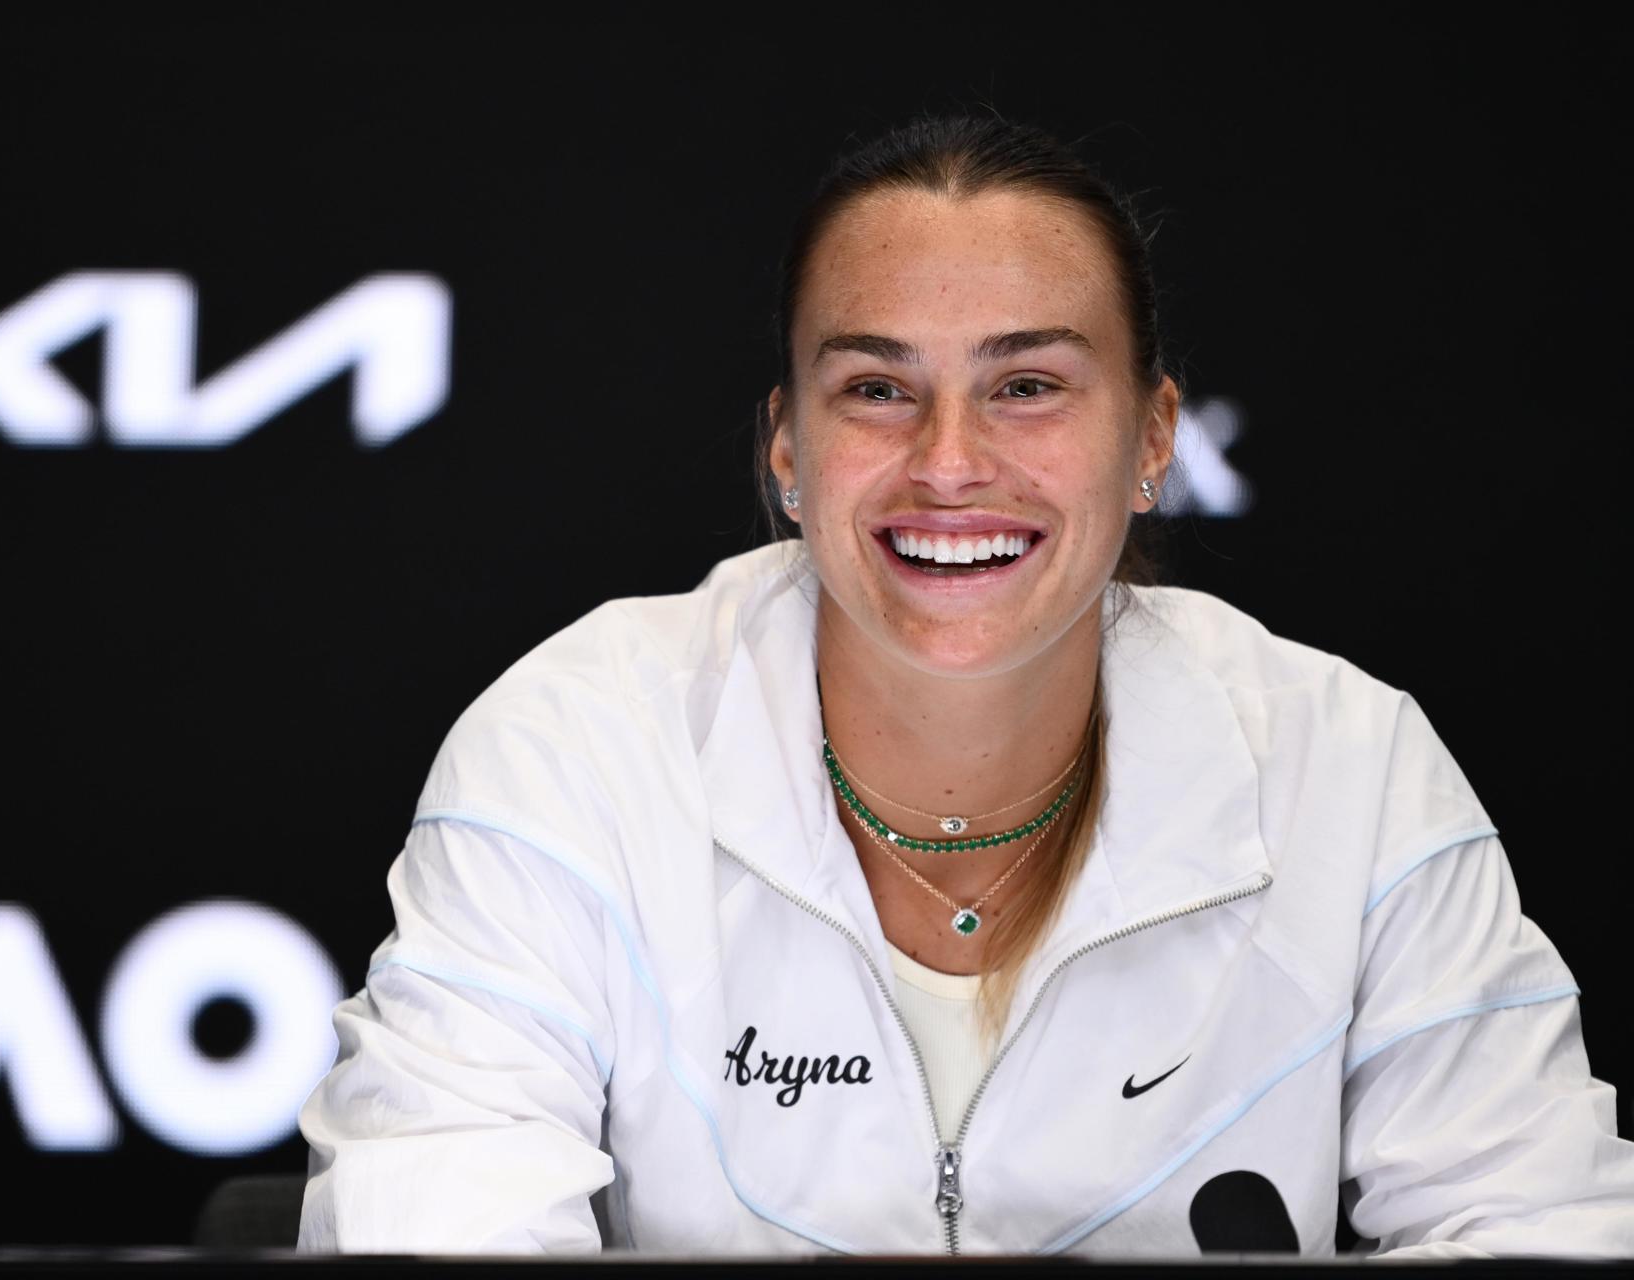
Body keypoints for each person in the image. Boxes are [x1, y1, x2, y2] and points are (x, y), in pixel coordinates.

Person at [295, 113, 1633, 1258]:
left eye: (1028, 384)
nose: (949, 463)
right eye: (878, 388)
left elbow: (1537, 1224)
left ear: (1153, 434)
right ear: (787, 449)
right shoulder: (574, 748)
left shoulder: (1350, 770)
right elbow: (430, 1219)